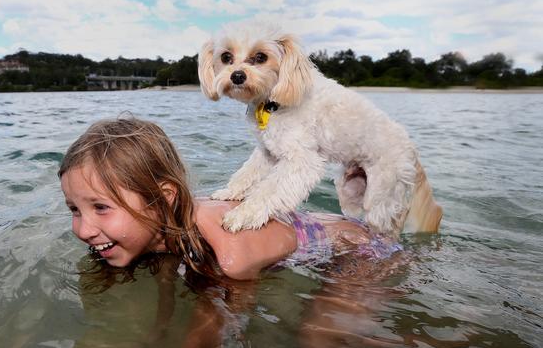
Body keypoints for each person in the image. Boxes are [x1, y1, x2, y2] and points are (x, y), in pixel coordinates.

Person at [58, 117, 402, 281]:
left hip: (359, 248)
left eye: (100, 207)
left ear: (162, 199)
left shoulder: (226, 253)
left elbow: (221, 329)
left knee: (319, 341)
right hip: (325, 232)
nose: (84, 229)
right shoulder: (157, 232)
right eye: (75, 209)